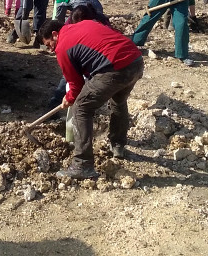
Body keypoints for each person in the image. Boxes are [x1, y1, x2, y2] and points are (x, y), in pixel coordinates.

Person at [39, 19, 144, 179]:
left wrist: (69, 98)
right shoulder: (84, 24)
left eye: (48, 45)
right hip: (135, 61)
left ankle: (82, 164)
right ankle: (117, 145)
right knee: (118, 101)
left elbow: (76, 84)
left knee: (81, 108)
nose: (51, 50)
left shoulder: (63, 46)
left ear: (54, 34)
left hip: (114, 68)